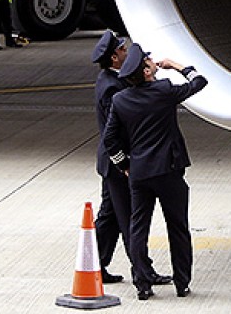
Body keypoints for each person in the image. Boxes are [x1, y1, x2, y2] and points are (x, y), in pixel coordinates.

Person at [103, 44, 207, 301]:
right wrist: (176, 66)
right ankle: (182, 283)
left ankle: (143, 284)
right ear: (147, 72)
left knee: (138, 227)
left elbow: (110, 140)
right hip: (169, 171)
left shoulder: (120, 100)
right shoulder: (163, 91)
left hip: (139, 172)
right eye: (148, 62)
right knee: (178, 227)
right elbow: (199, 81)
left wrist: (124, 165)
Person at [90, 31, 171, 287]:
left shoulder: (111, 80)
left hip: (111, 163)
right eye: (123, 50)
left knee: (109, 217)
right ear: (115, 57)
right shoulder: (111, 87)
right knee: (130, 220)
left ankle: (95, 265)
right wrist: (125, 164)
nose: (127, 53)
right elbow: (117, 131)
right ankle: (143, 272)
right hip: (118, 164)